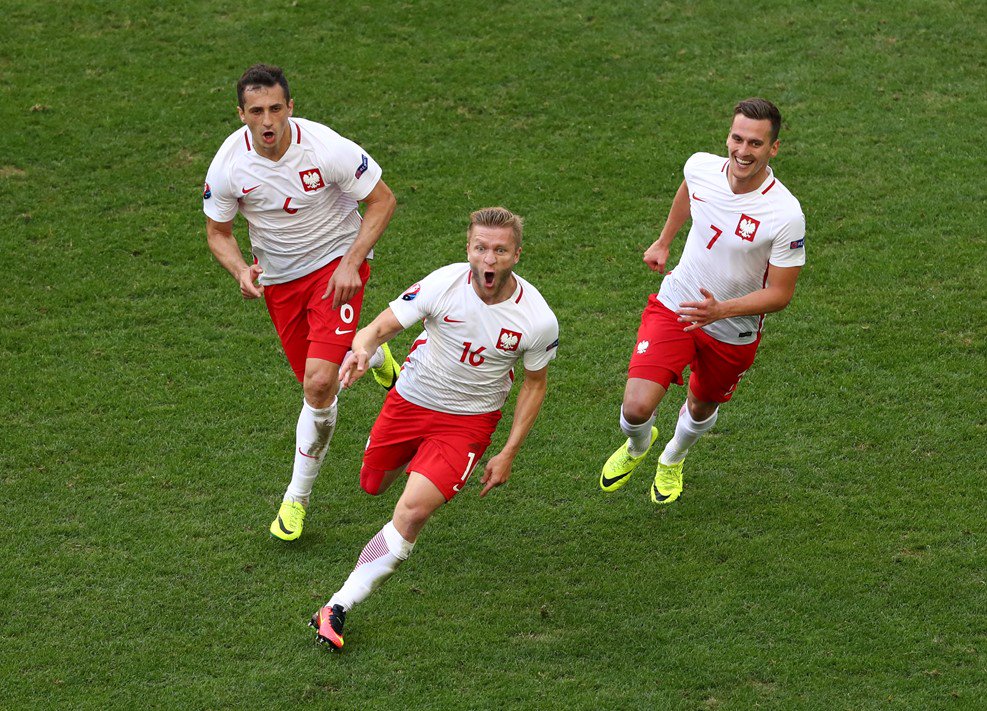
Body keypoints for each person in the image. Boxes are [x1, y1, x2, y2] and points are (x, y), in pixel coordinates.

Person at [309, 207, 559, 651]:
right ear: (468, 249)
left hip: (468, 422)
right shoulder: (442, 284)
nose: (489, 259)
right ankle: (391, 373)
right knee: (373, 485)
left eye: (500, 250)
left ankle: (336, 607)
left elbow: (534, 385)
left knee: (411, 512)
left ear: (517, 255)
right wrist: (364, 351)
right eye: (480, 248)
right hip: (411, 400)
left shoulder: (536, 319)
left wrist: (508, 452)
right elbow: (375, 328)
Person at [202, 64, 400, 541]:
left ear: (291, 107)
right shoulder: (229, 165)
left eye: (275, 108)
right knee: (320, 384)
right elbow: (218, 232)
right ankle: (368, 348)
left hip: (336, 267)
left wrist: (353, 262)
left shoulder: (326, 149)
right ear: (242, 115)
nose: (267, 121)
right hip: (282, 283)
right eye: (256, 111)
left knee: (317, 385)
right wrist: (239, 270)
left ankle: (296, 499)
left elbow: (383, 200)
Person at [600, 98, 805, 504]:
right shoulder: (700, 167)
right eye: (737, 138)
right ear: (728, 135)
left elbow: (781, 294)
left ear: (773, 149)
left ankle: (673, 458)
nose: (743, 151)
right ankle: (639, 447)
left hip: (733, 329)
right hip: (676, 302)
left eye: (756, 144)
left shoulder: (785, 213)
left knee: (699, 406)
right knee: (636, 408)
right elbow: (688, 193)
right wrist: (664, 241)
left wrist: (721, 310)